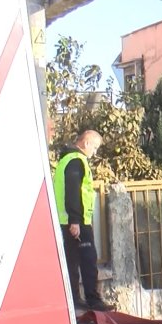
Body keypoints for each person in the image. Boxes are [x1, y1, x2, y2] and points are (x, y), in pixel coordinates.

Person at [54, 130, 111, 312]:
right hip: (77, 222)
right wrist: (75, 221)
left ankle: (74, 299)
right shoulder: (77, 161)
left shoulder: (65, 159)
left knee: (72, 262)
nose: (94, 152)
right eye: (94, 147)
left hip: (66, 221)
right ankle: (93, 300)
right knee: (88, 260)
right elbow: (73, 191)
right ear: (86, 143)